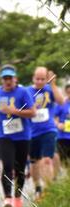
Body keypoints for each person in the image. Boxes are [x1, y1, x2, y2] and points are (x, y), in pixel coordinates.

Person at [0, 65, 35, 207]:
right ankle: (8, 198)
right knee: (7, 165)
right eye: (5, 78)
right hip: (4, 134)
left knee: (20, 168)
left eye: (10, 78)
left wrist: (14, 111)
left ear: (15, 79)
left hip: (22, 135)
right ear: (2, 80)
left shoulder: (23, 92)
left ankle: (17, 198)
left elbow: (32, 112)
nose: (8, 81)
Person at [27, 66, 63, 197]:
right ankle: (38, 187)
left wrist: (53, 84)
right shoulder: (27, 91)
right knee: (34, 162)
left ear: (46, 79)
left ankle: (48, 190)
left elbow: (61, 101)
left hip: (48, 129)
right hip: (32, 132)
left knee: (47, 159)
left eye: (43, 79)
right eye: (37, 79)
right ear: (33, 78)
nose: (40, 82)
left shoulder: (50, 89)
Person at [54, 83, 70, 164]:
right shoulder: (61, 103)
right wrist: (58, 124)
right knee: (64, 162)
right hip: (63, 137)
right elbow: (54, 117)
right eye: (69, 92)